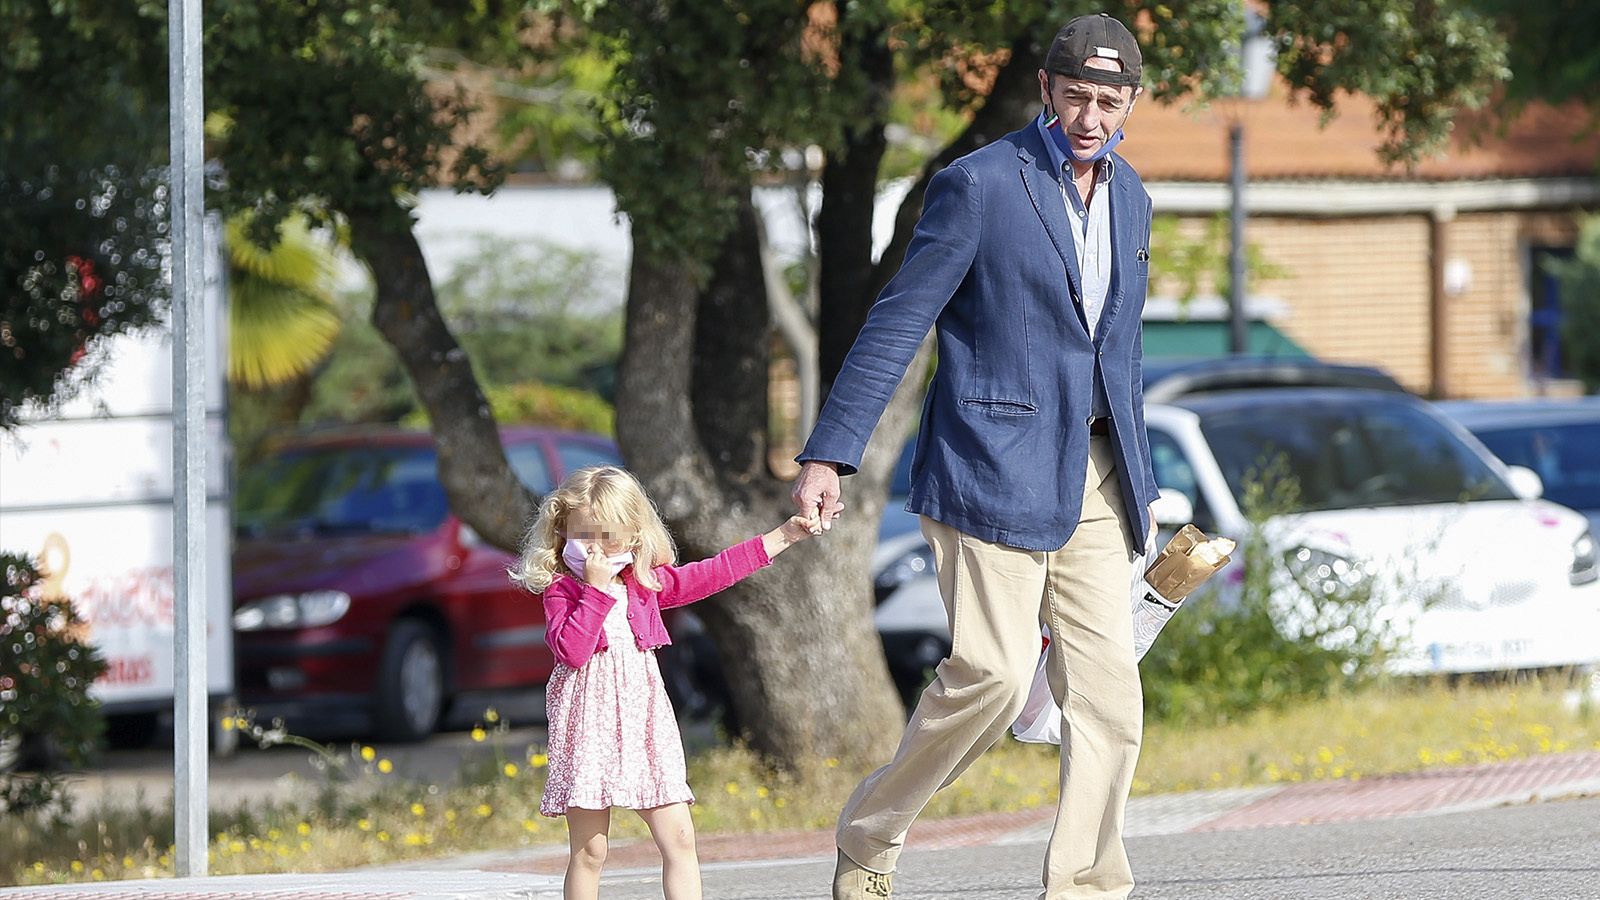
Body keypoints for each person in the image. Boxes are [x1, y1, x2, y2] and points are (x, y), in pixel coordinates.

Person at [791, 13, 1160, 900]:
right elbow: (899, 322)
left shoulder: (1134, 198)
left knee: (1109, 696)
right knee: (992, 678)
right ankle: (872, 833)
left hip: (1100, 476)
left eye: (1109, 102)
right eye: (1076, 96)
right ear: (1046, 89)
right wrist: (830, 455)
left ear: (1131, 104)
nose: (1090, 118)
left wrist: (1144, 481)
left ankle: (1087, 885)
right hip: (990, 466)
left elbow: (1119, 351)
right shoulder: (981, 184)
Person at [510, 465, 821, 900]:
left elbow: (716, 571)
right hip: (589, 729)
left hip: (644, 726)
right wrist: (595, 591)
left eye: (609, 538)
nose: (597, 550)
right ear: (562, 531)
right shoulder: (563, 590)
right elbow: (572, 652)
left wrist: (785, 535)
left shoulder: (645, 584)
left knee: (679, 838)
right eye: (585, 536)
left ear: (633, 536)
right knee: (591, 850)